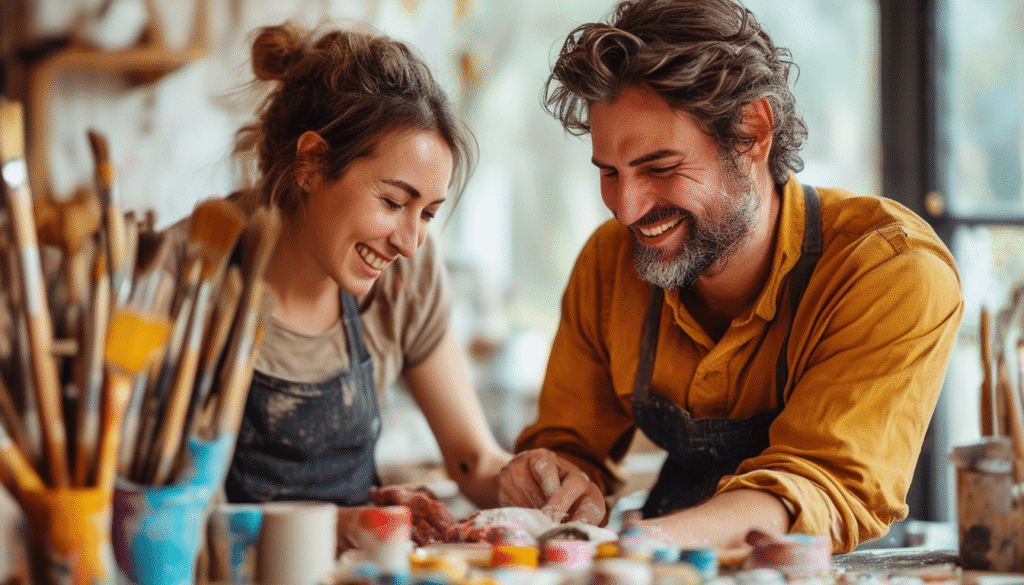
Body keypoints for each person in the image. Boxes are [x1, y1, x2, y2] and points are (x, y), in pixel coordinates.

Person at [496, 0, 964, 554]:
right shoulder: (609, 263)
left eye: (660, 168)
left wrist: (637, 546)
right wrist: (556, 479)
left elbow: (822, 483)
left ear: (753, 130)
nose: (626, 209)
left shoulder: (890, 268)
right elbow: (569, 446)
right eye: (609, 173)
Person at [217, 21, 510, 548]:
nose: (410, 242)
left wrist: (529, 480)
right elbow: (171, 512)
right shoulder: (197, 276)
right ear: (312, 162)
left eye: (427, 213)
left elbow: (474, 460)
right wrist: (338, 525)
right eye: (394, 203)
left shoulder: (406, 277)